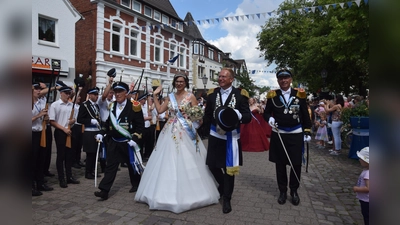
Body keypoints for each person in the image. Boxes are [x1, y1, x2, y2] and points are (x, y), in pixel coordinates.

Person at [135, 72, 220, 214]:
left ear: (185, 83)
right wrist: (155, 95)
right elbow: (160, 109)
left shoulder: (191, 96)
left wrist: (192, 117)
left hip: (186, 131)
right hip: (170, 131)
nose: (179, 83)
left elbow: (199, 117)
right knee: (167, 159)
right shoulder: (170, 97)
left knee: (189, 158)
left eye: (181, 81)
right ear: (174, 83)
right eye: (177, 81)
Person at [202, 68, 251, 214]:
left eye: (224, 76)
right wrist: (203, 130)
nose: (220, 78)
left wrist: (237, 114)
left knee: (229, 169)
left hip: (231, 137)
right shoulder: (212, 94)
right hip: (215, 135)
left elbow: (247, 117)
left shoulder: (241, 95)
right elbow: (208, 114)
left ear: (231, 79)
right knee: (212, 165)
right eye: (219, 76)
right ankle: (223, 186)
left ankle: (227, 199)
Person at [263, 69, 312, 206]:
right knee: (280, 164)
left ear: (291, 79)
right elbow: (266, 113)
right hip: (279, 134)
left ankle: (294, 191)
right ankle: (282, 191)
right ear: (278, 80)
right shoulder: (273, 95)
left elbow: (305, 114)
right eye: (281, 78)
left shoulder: (299, 95)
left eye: (286, 78)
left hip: (295, 133)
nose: (284, 80)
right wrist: (270, 119)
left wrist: (307, 131)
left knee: (296, 164)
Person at [94, 81, 145, 200]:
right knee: (110, 166)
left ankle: (137, 184)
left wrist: (135, 138)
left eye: (120, 91)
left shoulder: (134, 106)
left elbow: (140, 126)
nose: (117, 94)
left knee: (132, 165)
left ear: (126, 93)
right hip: (114, 141)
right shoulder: (112, 106)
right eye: (115, 92)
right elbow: (107, 123)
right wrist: (101, 132)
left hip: (128, 142)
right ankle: (104, 190)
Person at [49, 86, 80, 188]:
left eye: (69, 93)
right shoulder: (55, 105)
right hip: (61, 132)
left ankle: (69, 176)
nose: (68, 95)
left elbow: (75, 118)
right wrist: (64, 129)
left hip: (70, 131)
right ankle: (61, 178)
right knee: (61, 156)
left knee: (69, 156)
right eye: (66, 93)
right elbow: (52, 121)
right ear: (61, 93)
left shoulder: (72, 105)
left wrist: (73, 121)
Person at [32, 82, 54, 196]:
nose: (39, 91)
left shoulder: (41, 102)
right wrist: (38, 116)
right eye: (36, 89)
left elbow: (45, 117)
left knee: (41, 158)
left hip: (42, 132)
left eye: (40, 89)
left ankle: (40, 182)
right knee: (32, 160)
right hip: (32, 133)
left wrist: (46, 117)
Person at [77, 87, 102, 179]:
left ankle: (92, 171)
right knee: (90, 153)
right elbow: (79, 119)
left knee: (95, 153)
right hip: (89, 131)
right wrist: (90, 121)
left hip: (96, 131)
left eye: (97, 94)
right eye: (95, 94)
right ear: (90, 95)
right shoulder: (85, 105)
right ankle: (88, 172)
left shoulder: (96, 106)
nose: (96, 96)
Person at [353, 147, 369, 225]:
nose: (359, 160)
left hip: (367, 200)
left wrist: (357, 189)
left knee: (367, 216)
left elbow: (368, 188)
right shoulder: (367, 171)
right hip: (365, 199)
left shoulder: (368, 173)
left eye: (361, 158)